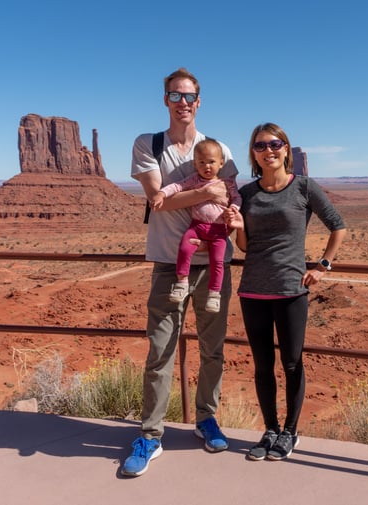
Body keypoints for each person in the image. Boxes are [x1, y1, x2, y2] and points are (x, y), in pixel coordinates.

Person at [122, 68, 237, 477]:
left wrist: (230, 224)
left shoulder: (218, 147)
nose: (183, 103)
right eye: (175, 96)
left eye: (189, 97)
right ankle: (151, 435)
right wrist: (206, 192)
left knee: (213, 350)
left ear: (199, 102)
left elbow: (232, 196)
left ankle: (206, 418)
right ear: (166, 101)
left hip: (215, 267)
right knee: (160, 351)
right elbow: (158, 200)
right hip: (171, 264)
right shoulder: (149, 144)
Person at [224, 122, 346, 461]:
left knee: (292, 364)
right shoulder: (247, 194)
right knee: (263, 366)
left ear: (287, 149)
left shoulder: (304, 187)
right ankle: (270, 429)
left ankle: (290, 432)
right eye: (261, 146)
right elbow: (247, 247)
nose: (269, 151)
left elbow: (338, 225)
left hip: (292, 291)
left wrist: (323, 266)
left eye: (275, 144)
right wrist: (237, 228)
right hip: (253, 292)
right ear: (254, 153)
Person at [150, 138, 241, 314]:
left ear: (221, 164)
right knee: (184, 248)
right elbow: (177, 186)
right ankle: (182, 282)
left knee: (217, 262)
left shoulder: (227, 183)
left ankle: (214, 294)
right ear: (195, 164)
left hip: (218, 232)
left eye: (211, 162)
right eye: (201, 162)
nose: (207, 166)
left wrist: (234, 208)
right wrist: (161, 193)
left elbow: (237, 198)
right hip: (197, 227)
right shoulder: (195, 180)